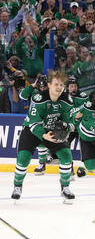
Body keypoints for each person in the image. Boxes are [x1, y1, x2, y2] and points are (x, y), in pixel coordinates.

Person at [11, 70, 76, 204]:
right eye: (56, 84)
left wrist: (67, 128)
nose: (59, 87)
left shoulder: (66, 100)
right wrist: (43, 135)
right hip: (32, 130)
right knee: (23, 158)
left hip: (51, 132)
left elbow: (69, 121)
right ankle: (17, 186)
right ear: (49, 85)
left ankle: (65, 187)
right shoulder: (39, 99)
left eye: (61, 85)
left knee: (66, 155)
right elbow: (34, 123)